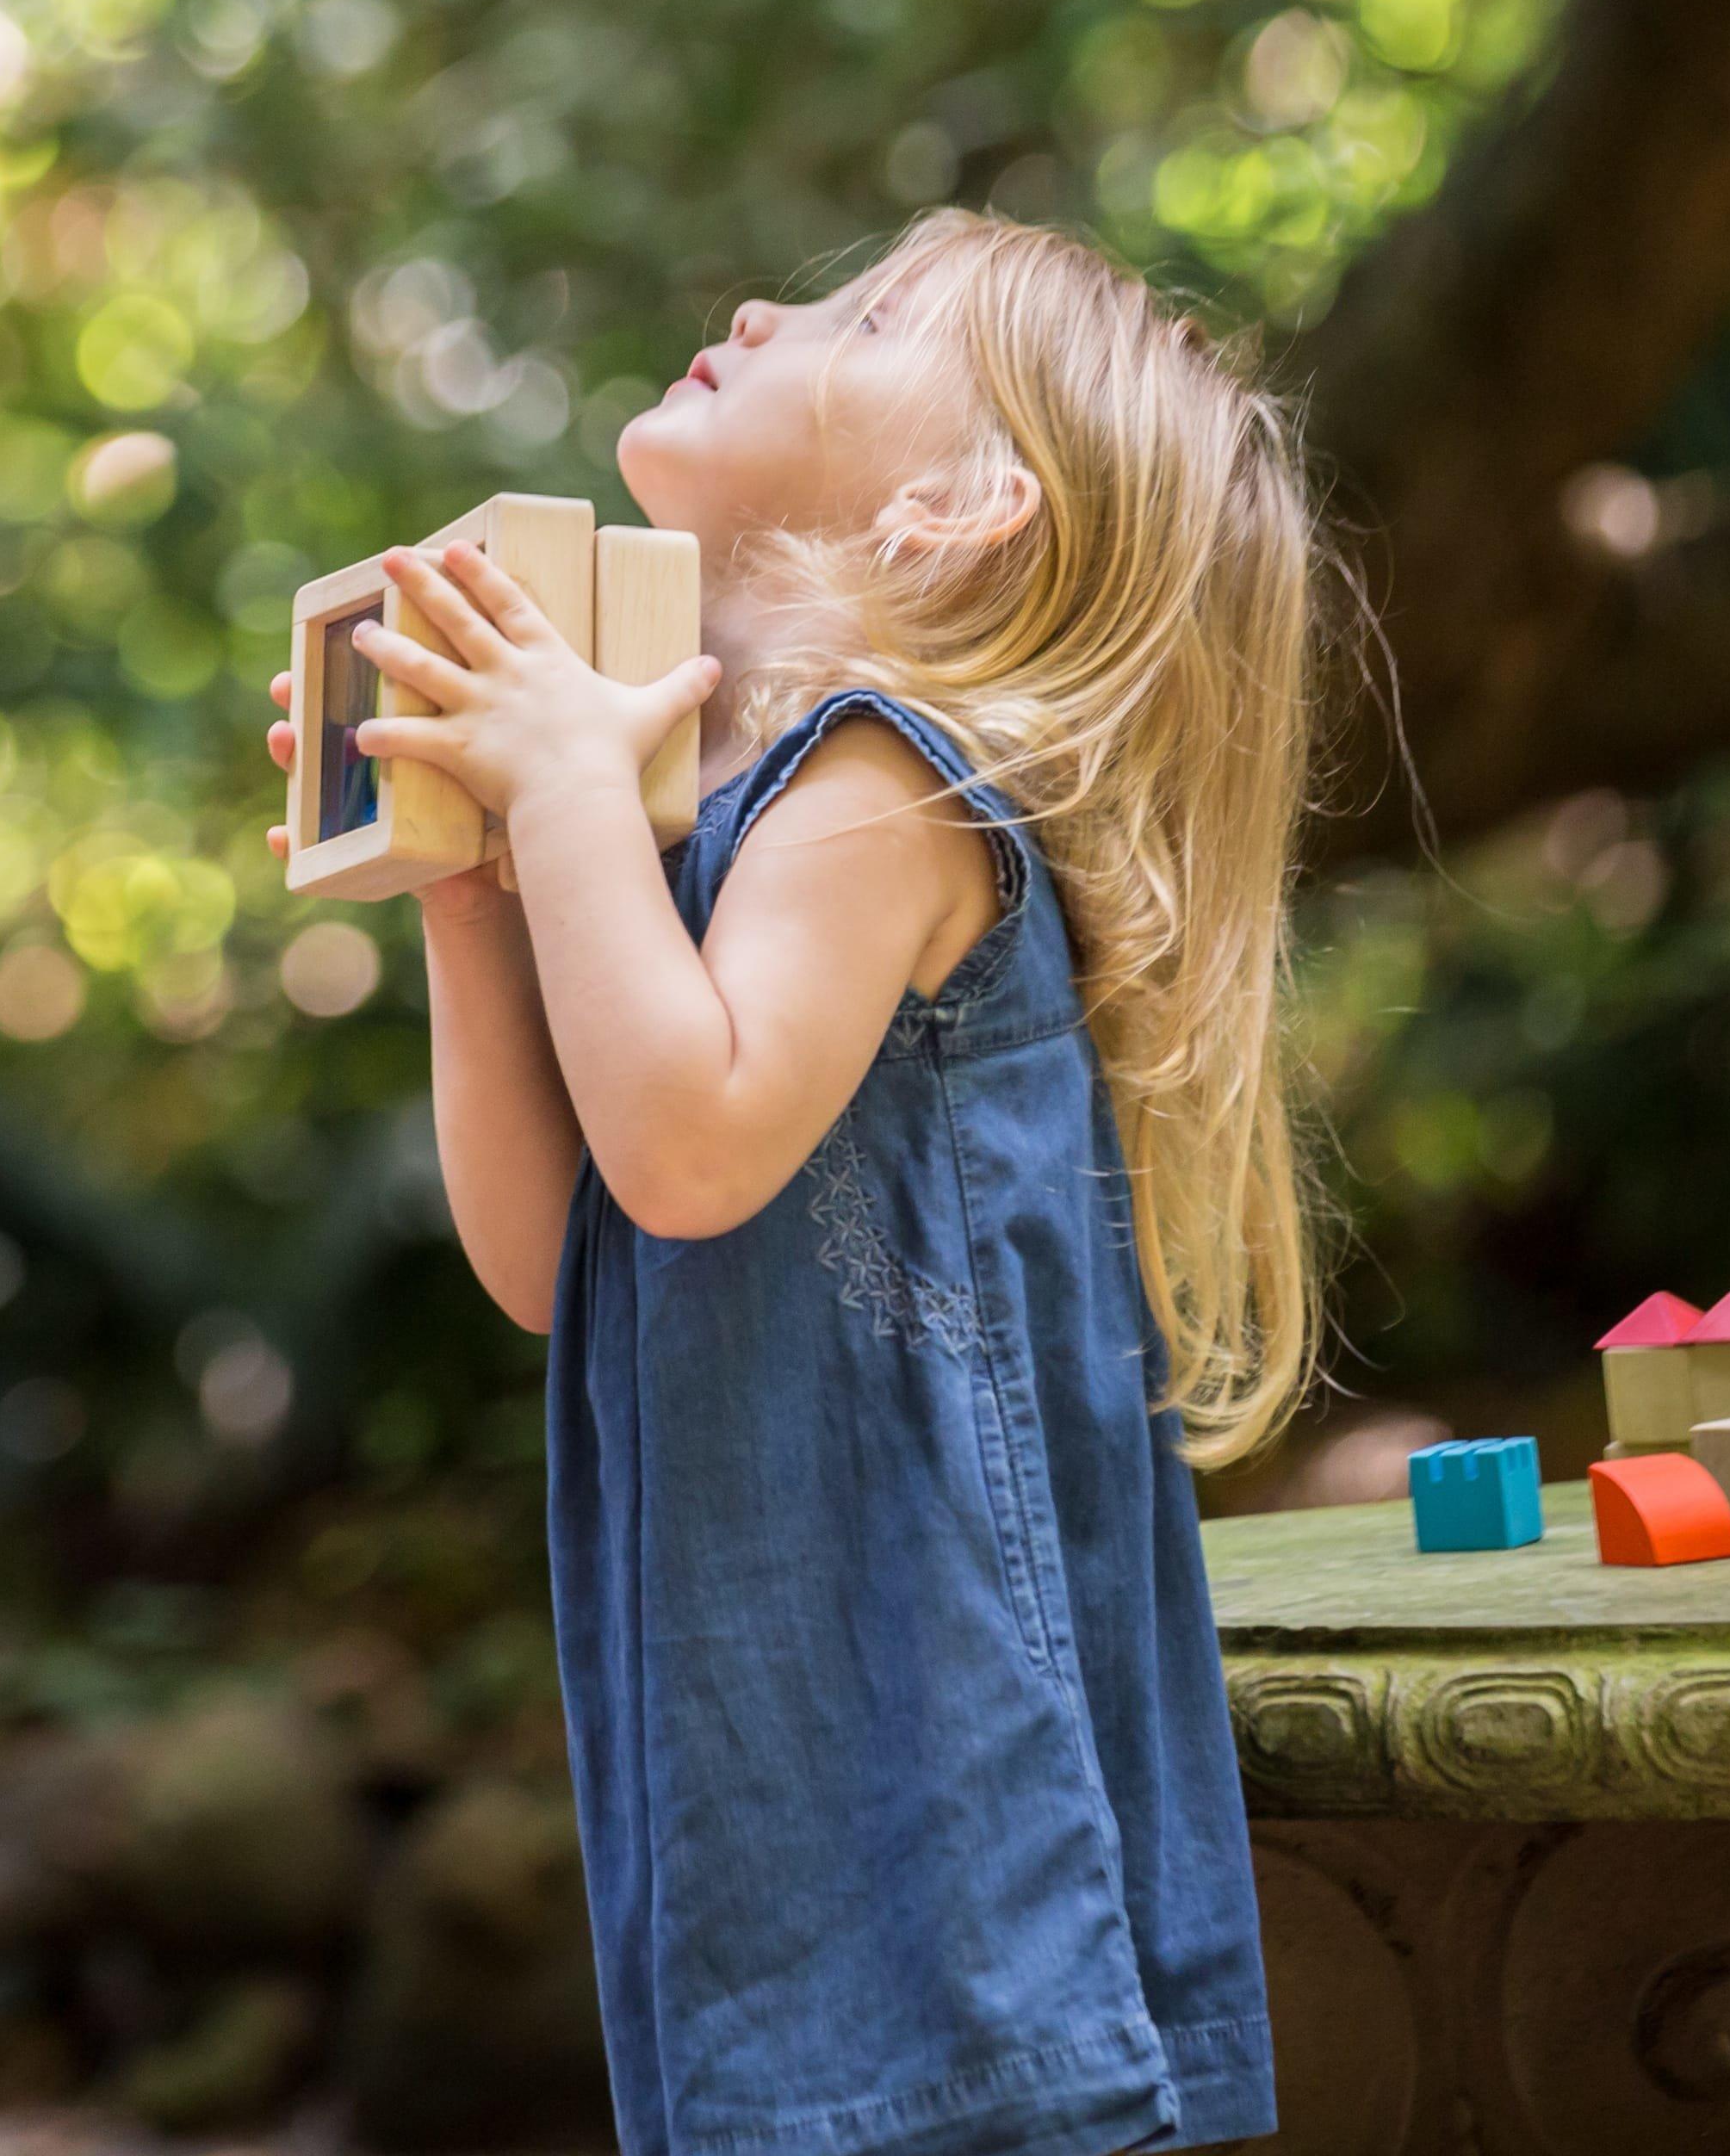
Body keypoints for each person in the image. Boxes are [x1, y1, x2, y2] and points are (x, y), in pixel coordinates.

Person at [263, 210, 1311, 2156]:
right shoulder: (704, 837)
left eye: (871, 314)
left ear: (961, 505)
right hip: (791, 1793)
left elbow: (684, 1144)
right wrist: (471, 888)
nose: (761, 305)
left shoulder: (886, 787)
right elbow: (547, 1250)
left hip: (958, 1822)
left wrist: (567, 790)